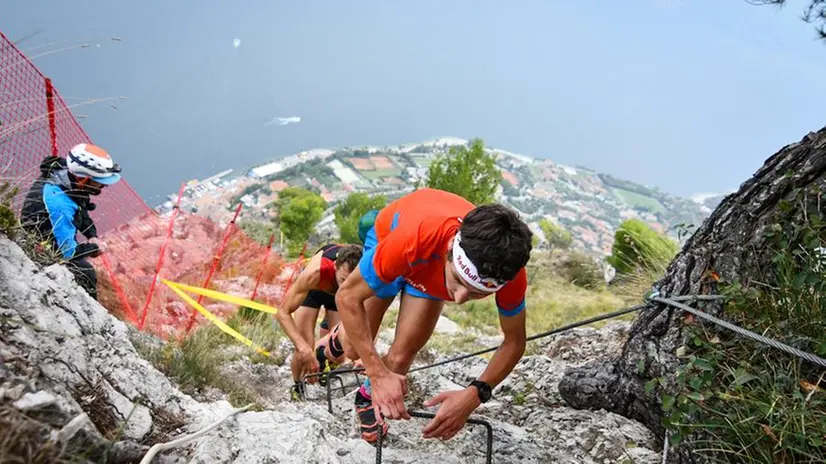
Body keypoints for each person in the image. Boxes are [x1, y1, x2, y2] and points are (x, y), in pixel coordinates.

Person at [315, 188, 533, 443]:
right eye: (458, 281)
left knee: (401, 357)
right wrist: (376, 373)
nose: (460, 298)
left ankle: (365, 397)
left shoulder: (510, 274)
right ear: (451, 247)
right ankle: (332, 343)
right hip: (398, 242)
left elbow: (514, 341)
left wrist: (474, 395)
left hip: (429, 269)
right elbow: (347, 297)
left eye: (475, 293)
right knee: (354, 349)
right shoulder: (414, 238)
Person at [20, 143, 122, 300]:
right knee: (85, 272)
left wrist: (91, 234)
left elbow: (79, 207)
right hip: (41, 245)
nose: (103, 186)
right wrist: (94, 248)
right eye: (99, 181)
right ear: (82, 179)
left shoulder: (64, 173)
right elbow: (68, 253)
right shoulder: (60, 206)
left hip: (51, 225)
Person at [274, 242, 363, 400]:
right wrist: (304, 349)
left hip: (337, 296)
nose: (346, 285)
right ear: (335, 266)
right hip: (315, 289)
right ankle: (298, 387)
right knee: (304, 345)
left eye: (351, 281)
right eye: (343, 279)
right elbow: (282, 312)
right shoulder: (315, 273)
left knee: (341, 346)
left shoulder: (363, 278)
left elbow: (369, 319)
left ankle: (322, 358)